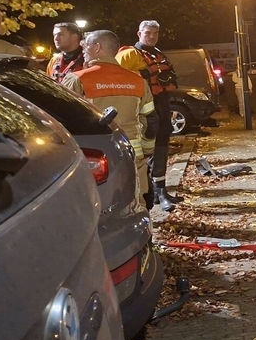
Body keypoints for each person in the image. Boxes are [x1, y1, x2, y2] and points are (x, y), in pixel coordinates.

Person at [64, 30, 156, 212]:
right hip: (132, 156)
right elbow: (151, 121)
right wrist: (146, 151)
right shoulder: (137, 80)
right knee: (137, 207)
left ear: (97, 47)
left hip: (95, 161)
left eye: (86, 45)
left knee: (97, 210)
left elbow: (63, 120)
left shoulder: (77, 79)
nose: (83, 48)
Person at [116, 19, 181, 212]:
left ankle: (161, 190)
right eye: (147, 33)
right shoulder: (128, 54)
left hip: (161, 106)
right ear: (139, 34)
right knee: (146, 151)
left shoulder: (157, 54)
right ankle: (148, 192)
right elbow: (119, 80)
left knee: (161, 147)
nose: (151, 36)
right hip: (143, 110)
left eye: (155, 33)